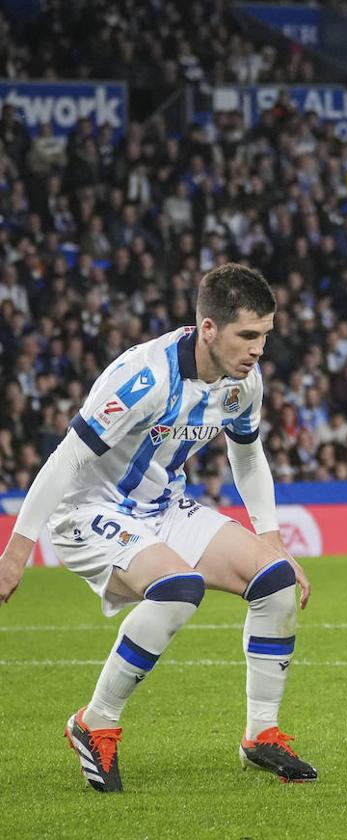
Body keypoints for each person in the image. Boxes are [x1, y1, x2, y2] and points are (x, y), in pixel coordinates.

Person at [0, 264, 316, 792]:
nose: (258, 349)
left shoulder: (243, 381)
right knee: (178, 588)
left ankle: (261, 734)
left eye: (265, 335)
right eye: (248, 335)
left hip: (164, 507)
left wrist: (272, 539)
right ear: (209, 329)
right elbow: (67, 460)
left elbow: (249, 457)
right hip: (89, 511)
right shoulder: (144, 377)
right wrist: (17, 550)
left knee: (277, 583)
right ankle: (94, 722)